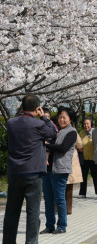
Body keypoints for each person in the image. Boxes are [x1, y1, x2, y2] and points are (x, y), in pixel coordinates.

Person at [3, 95, 58, 244]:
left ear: (22, 107)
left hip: (15, 173)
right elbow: (53, 132)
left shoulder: (11, 123)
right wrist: (44, 117)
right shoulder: (38, 125)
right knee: (33, 213)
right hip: (33, 173)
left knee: (12, 212)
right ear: (37, 109)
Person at [42, 107, 78, 235]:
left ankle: (62, 226)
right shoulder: (57, 131)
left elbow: (63, 148)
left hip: (61, 170)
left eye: (64, 117)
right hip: (48, 169)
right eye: (60, 117)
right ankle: (49, 225)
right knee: (48, 198)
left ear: (70, 119)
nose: (61, 119)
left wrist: (46, 145)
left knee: (59, 198)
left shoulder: (72, 132)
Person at [78, 118, 96, 198]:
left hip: (94, 158)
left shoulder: (95, 132)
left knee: (95, 176)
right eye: (84, 124)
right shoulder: (81, 133)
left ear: (91, 124)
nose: (86, 125)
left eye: (87, 124)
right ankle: (82, 193)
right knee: (83, 176)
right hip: (84, 158)